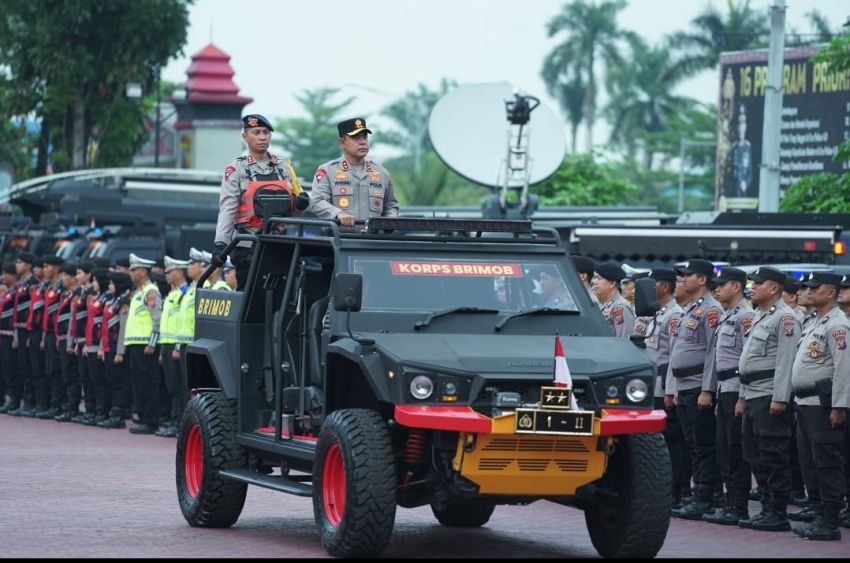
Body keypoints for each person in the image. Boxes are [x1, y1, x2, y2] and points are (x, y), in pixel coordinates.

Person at [736, 266, 800, 532]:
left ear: (774, 288)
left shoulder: (785, 318)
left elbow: (786, 362)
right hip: (752, 395)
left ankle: (777, 512)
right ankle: (765, 506)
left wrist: (781, 398)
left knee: (773, 455)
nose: (753, 286)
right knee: (754, 455)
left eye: (759, 283)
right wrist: (741, 397)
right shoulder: (761, 316)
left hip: (769, 396)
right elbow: (748, 360)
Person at [213, 114, 309, 289]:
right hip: (247, 244)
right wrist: (221, 244)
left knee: (283, 297)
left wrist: (300, 204)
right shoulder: (236, 169)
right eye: (256, 132)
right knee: (251, 298)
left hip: (279, 243)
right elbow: (228, 209)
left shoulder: (284, 167)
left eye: (266, 132)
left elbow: (294, 208)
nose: (262, 137)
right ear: (244, 136)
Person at [789, 272, 849, 540]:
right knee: (809, 462)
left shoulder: (837, 325)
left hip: (822, 405)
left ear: (832, 293)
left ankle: (830, 522)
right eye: (808, 287)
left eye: (816, 287)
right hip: (805, 402)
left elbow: (843, 368)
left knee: (826, 463)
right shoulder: (815, 322)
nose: (809, 291)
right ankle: (819, 515)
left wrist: (839, 406)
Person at [666, 258, 724, 520]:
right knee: (691, 443)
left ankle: (705, 496)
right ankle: (701, 493)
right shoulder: (692, 309)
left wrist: (707, 389)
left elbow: (714, 352)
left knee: (702, 445)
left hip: (699, 384)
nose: (683, 280)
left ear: (702, 279)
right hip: (685, 385)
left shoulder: (711, 310)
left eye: (687, 275)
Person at [702, 267, 755, 525]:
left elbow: (747, 360)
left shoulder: (746, 315)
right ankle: (731, 502)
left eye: (722, 284)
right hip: (725, 388)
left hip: (736, 386)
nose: (717, 289)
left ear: (736, 286)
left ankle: (738, 505)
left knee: (735, 449)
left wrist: (743, 396)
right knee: (724, 448)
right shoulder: (727, 315)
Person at [643, 268, 689, 508]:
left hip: (664, 385)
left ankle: (677, 491)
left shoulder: (674, 315)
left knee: (671, 441)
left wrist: (671, 390)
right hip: (654, 385)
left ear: (663, 286)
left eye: (651, 283)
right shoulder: (659, 313)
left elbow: (674, 356)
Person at [308, 117, 399, 227]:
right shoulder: (328, 171)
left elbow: (391, 206)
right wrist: (338, 214)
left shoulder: (381, 172)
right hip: (340, 239)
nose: (363, 142)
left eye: (365, 137)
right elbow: (317, 202)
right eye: (356, 138)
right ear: (342, 142)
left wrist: (389, 222)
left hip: (374, 239)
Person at [123, 253, 163, 435]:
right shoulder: (139, 293)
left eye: (134, 270)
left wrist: (152, 344)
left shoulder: (150, 292)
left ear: (143, 272)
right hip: (135, 345)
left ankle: (150, 420)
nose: (130, 273)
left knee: (148, 383)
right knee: (138, 383)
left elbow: (157, 320)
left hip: (145, 346)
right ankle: (143, 417)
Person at [156, 256, 189, 438]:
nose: (166, 275)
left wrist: (177, 346)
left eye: (170, 272)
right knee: (171, 387)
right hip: (167, 345)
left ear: (179, 272)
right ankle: (174, 419)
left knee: (179, 387)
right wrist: (162, 348)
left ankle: (179, 422)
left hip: (178, 345)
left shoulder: (185, 292)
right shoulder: (172, 293)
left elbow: (182, 325)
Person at [592, 263, 634, 338]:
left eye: (599, 278)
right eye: (594, 278)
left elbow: (624, 341)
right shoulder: (602, 304)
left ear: (612, 283)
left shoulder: (620, 307)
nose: (594, 282)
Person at [0, 263, 19, 414]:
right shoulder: (8, 292)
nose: (2, 277)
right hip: (2, 333)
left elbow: (17, 315)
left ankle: (14, 399)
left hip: (10, 334)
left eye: (5, 274)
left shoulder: (16, 293)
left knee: (10, 368)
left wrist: (16, 336)